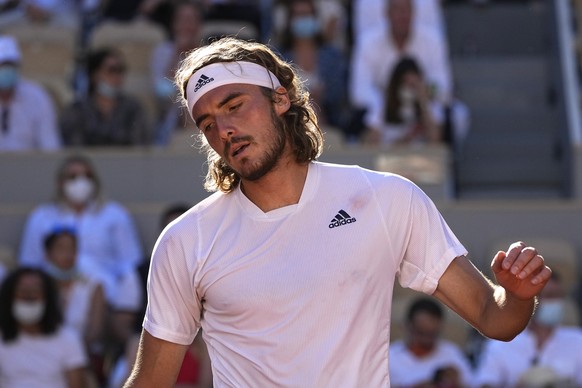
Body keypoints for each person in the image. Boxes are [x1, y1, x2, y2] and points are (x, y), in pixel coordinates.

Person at [123, 37, 552, 387]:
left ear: (280, 99)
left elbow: (493, 319)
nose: (224, 130)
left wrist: (517, 294)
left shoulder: (385, 198)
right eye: (207, 123)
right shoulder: (185, 239)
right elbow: (151, 381)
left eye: (234, 106)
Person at [18, 154, 144, 307]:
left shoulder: (115, 214)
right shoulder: (41, 217)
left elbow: (130, 262)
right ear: (60, 182)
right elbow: (30, 263)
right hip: (54, 295)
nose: (81, 182)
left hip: (107, 296)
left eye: (87, 176)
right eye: (73, 177)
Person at [349, 0, 452, 142]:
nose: (402, 16)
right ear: (387, 14)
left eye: (406, 10)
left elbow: (442, 87)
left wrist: (422, 92)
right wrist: (384, 102)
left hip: (421, 110)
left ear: (414, 13)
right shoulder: (368, 42)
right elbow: (359, 90)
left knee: (442, 114)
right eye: (397, 10)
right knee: (368, 118)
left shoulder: (432, 40)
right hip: (385, 111)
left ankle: (443, 161)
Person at [474, 272, 582, 387]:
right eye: (550, 295)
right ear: (532, 300)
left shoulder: (578, 341)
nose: (556, 302)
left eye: (558, 296)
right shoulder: (500, 344)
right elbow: (485, 383)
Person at [0, 267, 88, 387]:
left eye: (35, 291)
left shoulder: (68, 339)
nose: (29, 296)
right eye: (22, 291)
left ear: (48, 298)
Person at [43, 226, 107, 384]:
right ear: (48, 254)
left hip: (84, 356)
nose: (68, 254)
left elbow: (95, 330)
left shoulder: (93, 285)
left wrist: (73, 354)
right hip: (43, 353)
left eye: (72, 248)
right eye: (61, 248)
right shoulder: (38, 286)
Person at [278, 0, 349, 131]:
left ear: (315, 18)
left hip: (329, 123)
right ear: (289, 20)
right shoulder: (279, 57)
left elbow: (339, 95)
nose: (303, 19)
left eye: (307, 14)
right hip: (289, 125)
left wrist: (320, 99)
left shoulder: (332, 56)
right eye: (298, 15)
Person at [60, 47, 153, 146]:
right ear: (94, 75)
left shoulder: (133, 109)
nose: (117, 76)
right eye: (112, 70)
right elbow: (74, 148)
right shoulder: (77, 111)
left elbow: (140, 147)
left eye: (121, 70)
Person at [150, 0, 204, 145]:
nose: (188, 24)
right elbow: (162, 94)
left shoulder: (208, 52)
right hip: (172, 124)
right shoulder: (162, 52)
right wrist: (177, 54)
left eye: (192, 19)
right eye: (182, 20)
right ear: (174, 25)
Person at [389, 297, 473, 387]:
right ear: (408, 326)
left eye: (432, 334)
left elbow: (473, 384)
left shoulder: (452, 353)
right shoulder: (389, 357)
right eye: (421, 333)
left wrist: (456, 383)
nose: (426, 340)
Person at [0, 35, 61, 152]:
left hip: (30, 167)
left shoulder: (38, 97)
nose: (5, 71)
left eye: (10, 65)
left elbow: (50, 146)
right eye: (1, 66)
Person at [364, 56, 442, 145]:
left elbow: (435, 140)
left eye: (413, 85)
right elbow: (371, 144)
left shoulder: (431, 107)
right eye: (404, 84)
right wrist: (405, 139)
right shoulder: (381, 108)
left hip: (421, 158)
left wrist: (423, 101)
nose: (408, 90)